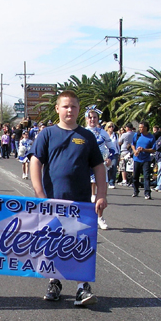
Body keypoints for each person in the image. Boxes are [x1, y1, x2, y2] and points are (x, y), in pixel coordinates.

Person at [29, 89, 107, 307]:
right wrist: (40, 194)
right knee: (54, 243)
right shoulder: (47, 134)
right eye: (65, 106)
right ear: (57, 109)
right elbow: (36, 162)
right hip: (53, 202)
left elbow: (99, 167)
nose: (69, 110)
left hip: (80, 204)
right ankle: (54, 282)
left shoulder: (87, 136)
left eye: (73, 106)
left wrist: (101, 194)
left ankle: (82, 287)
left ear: (79, 109)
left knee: (80, 244)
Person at [84, 107, 113, 229]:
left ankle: (100, 218)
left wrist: (109, 159)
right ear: (86, 119)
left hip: (100, 166)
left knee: (102, 194)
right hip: (85, 167)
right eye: (90, 117)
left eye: (95, 117)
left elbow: (112, 149)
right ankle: (85, 218)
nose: (92, 119)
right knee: (86, 195)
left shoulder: (103, 133)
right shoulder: (81, 132)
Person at [131, 122, 156, 199]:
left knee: (146, 176)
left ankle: (147, 193)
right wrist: (134, 151)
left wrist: (144, 150)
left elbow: (153, 149)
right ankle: (135, 190)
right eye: (139, 127)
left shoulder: (151, 137)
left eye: (141, 127)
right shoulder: (137, 135)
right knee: (135, 176)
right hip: (137, 159)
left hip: (146, 159)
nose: (140, 129)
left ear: (146, 128)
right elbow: (132, 144)